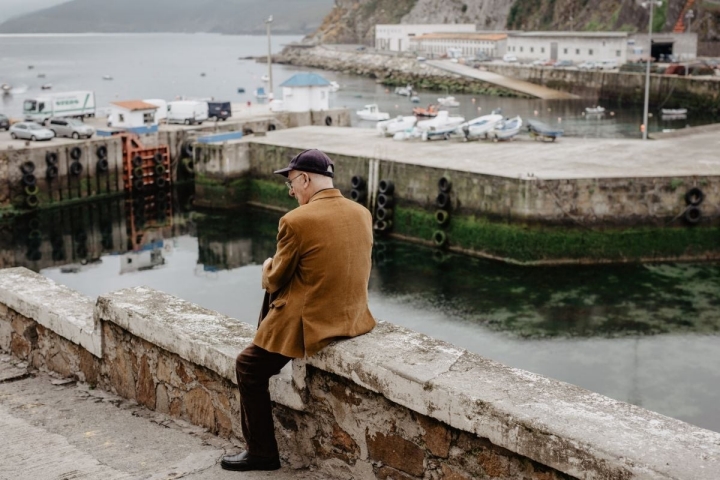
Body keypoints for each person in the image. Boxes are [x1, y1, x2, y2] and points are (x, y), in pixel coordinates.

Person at [221, 149, 376, 472]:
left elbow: (275, 277)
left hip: (314, 323)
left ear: (305, 179)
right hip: (354, 317)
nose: (291, 191)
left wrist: (265, 265)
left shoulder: (295, 221)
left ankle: (261, 453)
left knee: (248, 366)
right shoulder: (362, 212)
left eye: (291, 183)